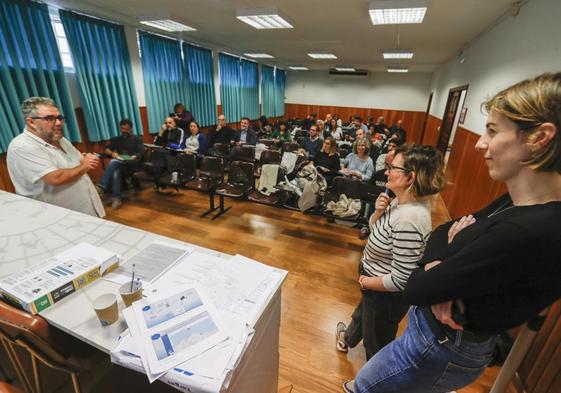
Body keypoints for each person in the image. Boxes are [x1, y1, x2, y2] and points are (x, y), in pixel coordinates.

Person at [346, 72, 561, 393]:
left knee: (363, 385)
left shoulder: (527, 230)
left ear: (539, 137)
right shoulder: (516, 201)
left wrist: (437, 266)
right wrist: (444, 261)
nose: (479, 142)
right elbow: (445, 230)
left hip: (441, 345)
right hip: (434, 336)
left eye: (492, 130)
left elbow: (416, 288)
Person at [337, 144, 446, 362]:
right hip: (374, 283)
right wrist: (378, 212)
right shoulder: (401, 201)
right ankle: (347, 338)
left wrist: (366, 282)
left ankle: (370, 383)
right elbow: (374, 231)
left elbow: (401, 280)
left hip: (384, 295)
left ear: (410, 178)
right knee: (362, 315)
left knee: (375, 343)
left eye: (392, 167)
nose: (386, 171)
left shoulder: (410, 220)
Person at [7, 97, 105, 217]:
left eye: (59, 118)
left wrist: (85, 159)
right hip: (58, 217)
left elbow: (78, 161)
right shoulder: (22, 146)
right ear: (31, 122)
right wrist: (84, 165)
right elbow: (55, 178)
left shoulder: (60, 139)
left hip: (85, 208)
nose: (58, 123)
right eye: (49, 118)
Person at [97, 118, 144, 210]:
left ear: (131, 129)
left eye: (127, 129)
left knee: (113, 162)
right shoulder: (116, 139)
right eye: (122, 129)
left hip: (132, 164)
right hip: (120, 163)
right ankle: (117, 198)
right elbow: (106, 149)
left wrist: (135, 156)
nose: (124, 131)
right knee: (116, 170)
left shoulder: (137, 139)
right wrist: (112, 153)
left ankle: (102, 186)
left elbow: (141, 152)